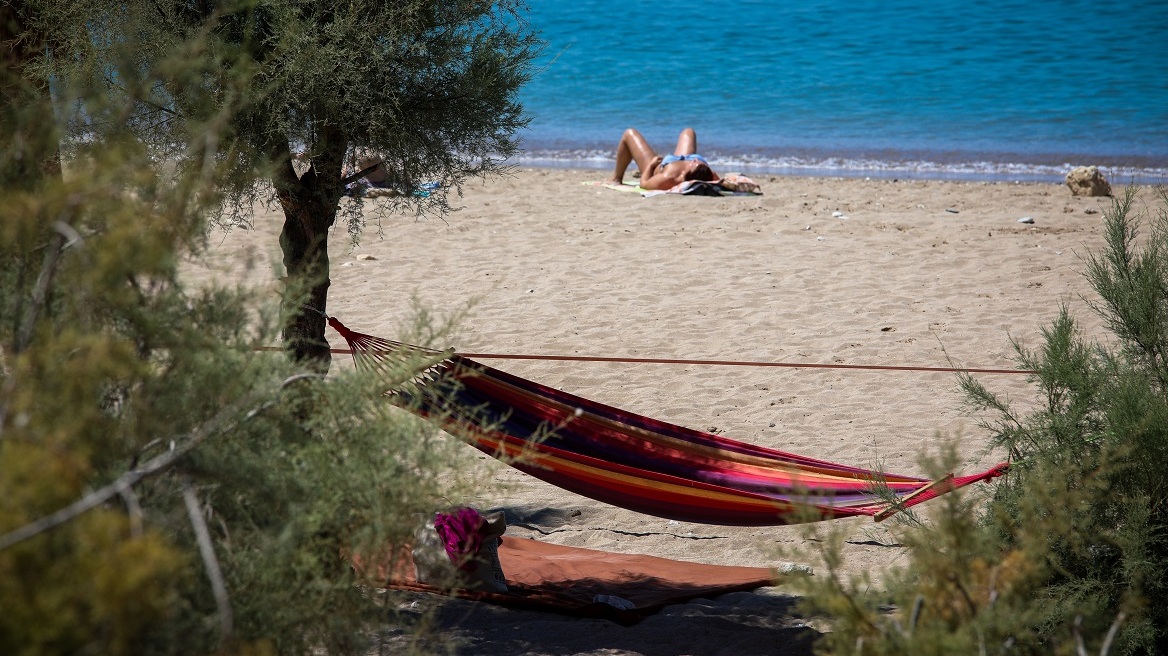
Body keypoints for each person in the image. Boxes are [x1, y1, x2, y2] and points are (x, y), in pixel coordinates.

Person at [608, 127, 720, 190]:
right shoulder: (710, 174)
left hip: (662, 165)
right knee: (688, 131)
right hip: (682, 158)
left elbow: (644, 184)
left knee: (629, 133)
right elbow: (723, 183)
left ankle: (616, 178)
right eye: (697, 162)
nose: (695, 161)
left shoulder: (669, 177)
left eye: (694, 163)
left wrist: (651, 166)